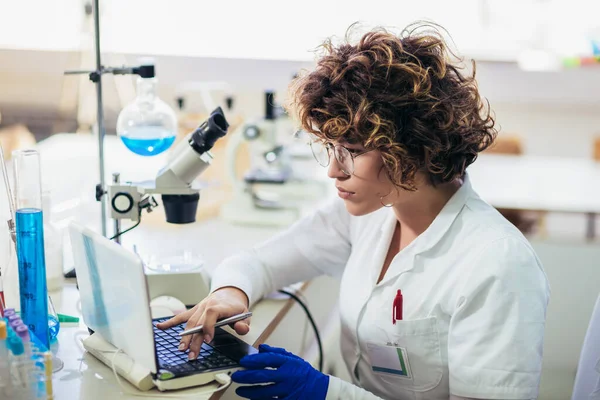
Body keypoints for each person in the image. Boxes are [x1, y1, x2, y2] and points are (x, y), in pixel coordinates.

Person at [158, 22, 550, 400]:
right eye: (331, 148)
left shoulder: (496, 266)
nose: (333, 170)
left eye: (354, 151)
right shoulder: (374, 211)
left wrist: (329, 393)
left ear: (416, 148)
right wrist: (229, 293)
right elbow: (258, 263)